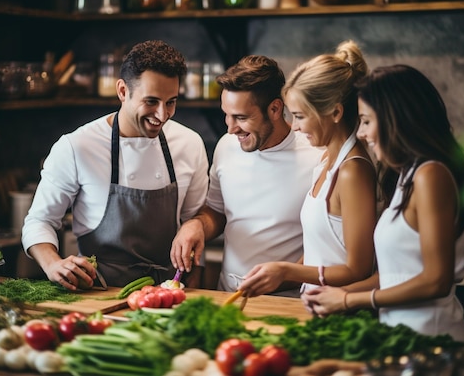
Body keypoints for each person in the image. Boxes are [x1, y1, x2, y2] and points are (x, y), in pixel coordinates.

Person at [302, 64, 464, 344]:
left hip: (433, 341)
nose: (361, 132)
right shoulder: (406, 177)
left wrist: (350, 300)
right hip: (402, 339)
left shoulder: (431, 175)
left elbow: (437, 280)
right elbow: (395, 275)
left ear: (396, 119)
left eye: (367, 121)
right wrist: (334, 296)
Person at [22, 40, 209, 289]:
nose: (162, 115)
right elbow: (39, 221)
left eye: (171, 102)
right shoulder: (77, 146)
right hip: (99, 292)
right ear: (122, 91)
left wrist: (192, 291)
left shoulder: (189, 143)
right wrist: (52, 264)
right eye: (151, 101)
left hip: (169, 292)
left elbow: (194, 225)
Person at [170, 55, 323, 296]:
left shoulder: (317, 156)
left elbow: (328, 246)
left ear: (275, 108)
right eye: (227, 115)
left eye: (241, 118)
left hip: (290, 301)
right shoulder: (227, 146)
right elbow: (217, 212)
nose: (230, 128)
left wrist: (285, 276)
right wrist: (196, 225)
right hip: (229, 295)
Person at [237, 40, 377, 297]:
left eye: (300, 116)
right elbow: (320, 251)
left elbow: (358, 269)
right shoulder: (326, 161)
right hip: (315, 306)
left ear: (335, 112)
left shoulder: (353, 171)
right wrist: (276, 276)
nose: (295, 127)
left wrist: (287, 271)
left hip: (341, 313)